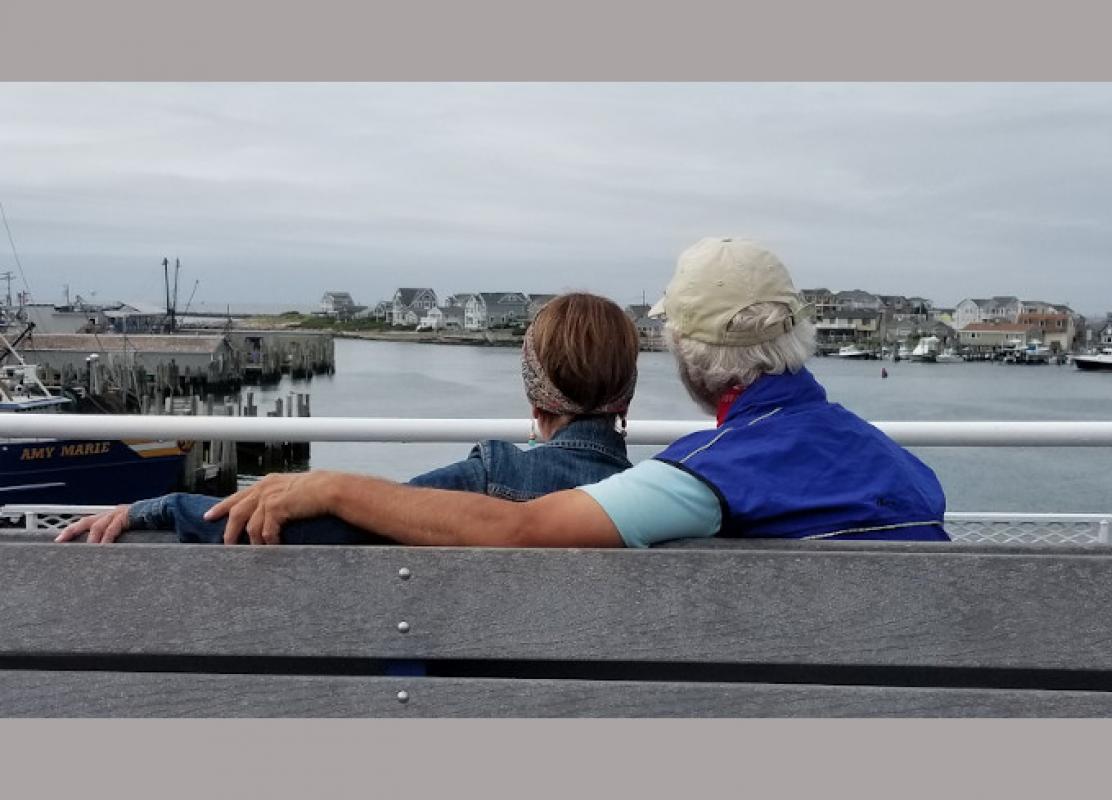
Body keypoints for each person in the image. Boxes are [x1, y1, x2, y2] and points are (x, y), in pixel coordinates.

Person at [69, 237, 948, 548]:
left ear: (683, 353)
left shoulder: (708, 479)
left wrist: (329, 484)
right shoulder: (904, 470)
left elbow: (523, 525)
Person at [58, 292, 640, 544]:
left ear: (535, 401)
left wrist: (152, 509)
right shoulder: (668, 494)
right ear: (626, 398)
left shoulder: (486, 481)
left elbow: (281, 529)